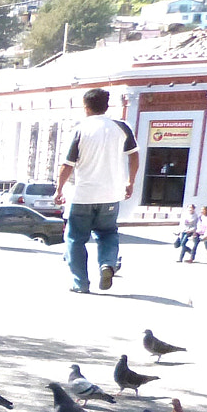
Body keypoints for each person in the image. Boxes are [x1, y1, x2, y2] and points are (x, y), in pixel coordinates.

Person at [54, 87, 139, 293]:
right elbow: (134, 155)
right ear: (106, 106)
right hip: (111, 195)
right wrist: (130, 182)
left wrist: (59, 190)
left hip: (83, 195)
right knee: (108, 233)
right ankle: (107, 263)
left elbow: (68, 164)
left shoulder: (80, 129)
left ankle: (80, 283)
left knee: (75, 239)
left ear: (86, 107)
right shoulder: (122, 127)